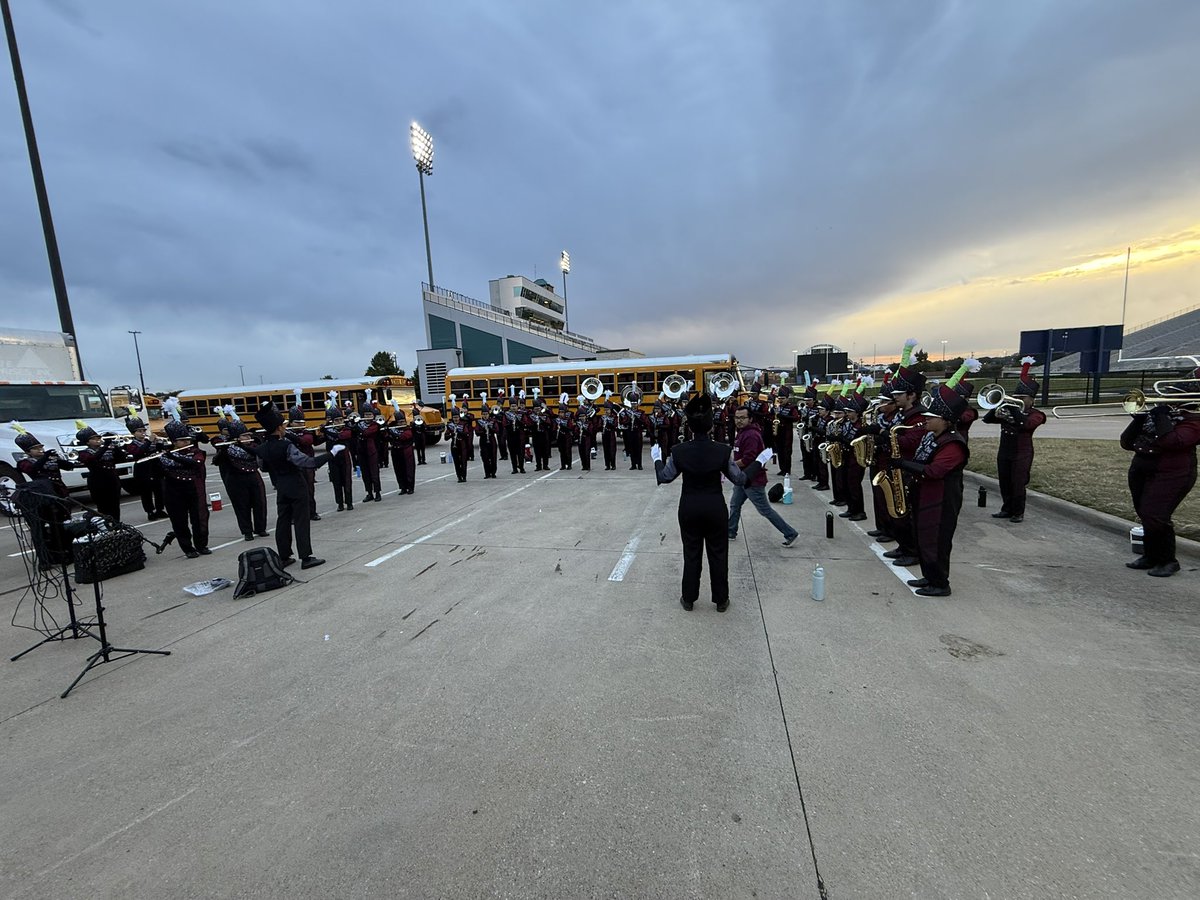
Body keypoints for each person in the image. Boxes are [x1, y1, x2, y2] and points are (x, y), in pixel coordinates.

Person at [654, 393, 773, 612]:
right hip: (715, 507)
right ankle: (720, 600)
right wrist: (759, 461)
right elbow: (740, 479)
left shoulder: (679, 451)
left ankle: (688, 598)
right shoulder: (722, 450)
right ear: (710, 427)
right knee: (718, 553)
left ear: (690, 427)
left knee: (691, 553)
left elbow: (665, 477)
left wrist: (657, 459)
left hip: (689, 507)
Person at [893, 385, 970, 597]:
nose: (925, 420)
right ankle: (929, 576)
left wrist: (903, 464)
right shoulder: (931, 436)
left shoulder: (953, 444)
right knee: (923, 537)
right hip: (924, 495)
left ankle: (940, 583)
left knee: (937, 540)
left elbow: (934, 471)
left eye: (931, 417)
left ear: (944, 420)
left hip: (941, 500)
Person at [1120, 390, 1200, 578]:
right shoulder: (1157, 417)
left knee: (1156, 514)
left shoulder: (1194, 420)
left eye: (1174, 398)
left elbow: (1173, 442)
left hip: (1173, 473)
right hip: (1142, 469)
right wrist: (1139, 419)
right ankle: (1151, 556)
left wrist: (1161, 416)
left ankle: (1168, 561)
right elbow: (1126, 442)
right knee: (1145, 514)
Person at [254, 402, 336, 569]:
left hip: (280, 485)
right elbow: (308, 462)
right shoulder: (286, 445)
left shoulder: (261, 448)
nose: (285, 428)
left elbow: (263, 467)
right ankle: (306, 557)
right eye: (283, 426)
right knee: (301, 521)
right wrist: (331, 454)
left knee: (283, 521)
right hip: (296, 485)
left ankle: (284, 556)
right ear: (278, 428)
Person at [983, 356, 1046, 524]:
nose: (1019, 399)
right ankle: (1006, 509)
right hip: (1004, 451)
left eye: (1023, 397)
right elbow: (987, 419)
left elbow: (1024, 425)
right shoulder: (1009, 411)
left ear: (1031, 399)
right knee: (1004, 481)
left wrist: (1012, 407)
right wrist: (997, 405)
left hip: (1022, 452)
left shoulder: (1036, 414)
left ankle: (1018, 512)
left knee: (1018, 483)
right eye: (1017, 396)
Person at [727, 405, 800, 547]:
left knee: (765, 510)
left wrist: (728, 465)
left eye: (743, 418)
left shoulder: (751, 435)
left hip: (753, 480)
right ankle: (730, 531)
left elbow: (748, 459)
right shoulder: (742, 432)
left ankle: (790, 533)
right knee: (735, 505)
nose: (739, 421)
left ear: (750, 418)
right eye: (737, 418)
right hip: (742, 478)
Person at [159, 418, 211, 558]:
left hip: (193, 488)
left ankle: (201, 545)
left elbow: (195, 463)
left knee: (199, 518)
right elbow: (159, 469)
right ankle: (188, 548)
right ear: (174, 442)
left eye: (188, 440)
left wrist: (173, 457)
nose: (187, 443)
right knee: (179, 520)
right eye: (182, 441)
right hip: (173, 490)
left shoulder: (196, 452)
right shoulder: (164, 454)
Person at [214, 413, 268, 541]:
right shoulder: (227, 448)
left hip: (253, 476)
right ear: (236, 437)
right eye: (245, 436)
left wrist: (242, 444)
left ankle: (260, 528)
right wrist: (223, 450)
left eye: (249, 435)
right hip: (236, 479)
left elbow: (256, 453)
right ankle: (247, 531)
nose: (248, 437)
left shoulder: (254, 445)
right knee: (241, 505)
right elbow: (217, 461)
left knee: (259, 503)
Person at [73, 422, 127, 522]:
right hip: (98, 481)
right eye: (94, 439)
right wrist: (105, 447)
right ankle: (106, 525)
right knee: (103, 506)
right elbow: (92, 460)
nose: (98, 440)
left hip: (112, 478)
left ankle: (116, 523)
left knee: (115, 504)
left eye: (98, 438)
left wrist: (116, 447)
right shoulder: (84, 453)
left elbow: (122, 458)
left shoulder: (107, 449)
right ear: (87, 442)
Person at [124, 409, 167, 521]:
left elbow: (158, 452)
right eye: (139, 431)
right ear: (133, 433)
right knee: (146, 492)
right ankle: (150, 511)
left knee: (159, 490)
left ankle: (159, 509)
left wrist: (159, 444)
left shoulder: (148, 441)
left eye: (143, 430)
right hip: (143, 469)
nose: (143, 433)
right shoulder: (131, 443)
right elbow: (138, 452)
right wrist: (149, 442)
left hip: (155, 468)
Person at [321, 401, 355, 511]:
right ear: (333, 421)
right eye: (336, 420)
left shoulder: (347, 430)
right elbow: (316, 441)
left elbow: (339, 436)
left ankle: (349, 503)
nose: (339, 422)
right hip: (333, 460)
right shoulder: (328, 430)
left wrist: (326, 430)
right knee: (336, 482)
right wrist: (324, 427)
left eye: (340, 420)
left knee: (347, 482)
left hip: (344, 459)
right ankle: (340, 503)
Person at [386, 402, 417, 494]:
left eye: (403, 421)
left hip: (406, 451)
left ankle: (410, 487)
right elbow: (386, 438)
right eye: (400, 422)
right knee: (398, 470)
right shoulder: (393, 427)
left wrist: (393, 433)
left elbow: (403, 437)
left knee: (409, 469)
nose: (401, 423)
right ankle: (403, 487)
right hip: (396, 451)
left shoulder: (408, 429)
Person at [447, 405, 469, 483]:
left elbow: (466, 434)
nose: (456, 419)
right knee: (456, 462)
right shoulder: (450, 425)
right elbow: (446, 438)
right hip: (454, 445)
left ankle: (464, 476)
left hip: (462, 445)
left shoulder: (463, 424)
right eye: (454, 418)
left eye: (457, 417)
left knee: (463, 461)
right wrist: (451, 435)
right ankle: (459, 477)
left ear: (459, 417)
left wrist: (459, 432)